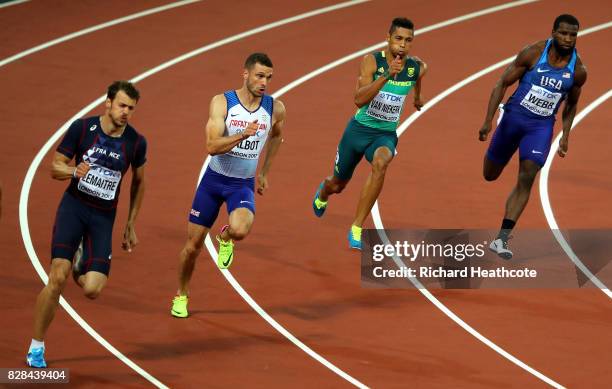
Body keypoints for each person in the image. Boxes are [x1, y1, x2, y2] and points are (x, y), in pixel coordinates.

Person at [26, 81, 147, 368]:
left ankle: (81, 262)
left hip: (103, 218)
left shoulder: (136, 142)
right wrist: (73, 170)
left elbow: (140, 182)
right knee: (57, 277)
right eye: (121, 105)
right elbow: (55, 166)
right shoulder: (82, 129)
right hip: (74, 208)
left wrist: (131, 222)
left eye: (131, 108)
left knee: (93, 289)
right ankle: (36, 347)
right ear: (107, 102)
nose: (126, 112)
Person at [171, 53, 286, 318]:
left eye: (268, 78)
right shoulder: (222, 103)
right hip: (213, 181)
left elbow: (277, 136)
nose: (264, 82)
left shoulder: (275, 108)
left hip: (241, 184)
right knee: (192, 247)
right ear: (245, 74)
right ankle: (181, 295)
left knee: (241, 230)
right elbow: (211, 146)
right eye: (259, 76)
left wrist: (265, 172)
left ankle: (225, 237)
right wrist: (242, 134)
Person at [311, 17, 427, 250]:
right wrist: (386, 76)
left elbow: (418, 79)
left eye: (408, 40)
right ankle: (323, 192)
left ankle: (356, 226)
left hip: (384, 135)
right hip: (357, 132)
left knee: (381, 162)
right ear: (388, 38)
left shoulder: (417, 67)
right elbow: (358, 99)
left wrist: (417, 98)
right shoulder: (371, 62)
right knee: (337, 184)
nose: (403, 45)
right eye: (398, 39)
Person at [478, 14, 586, 259]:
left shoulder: (578, 71)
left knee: (527, 176)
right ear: (553, 33)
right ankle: (498, 144)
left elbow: (571, 104)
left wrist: (566, 134)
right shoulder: (532, 53)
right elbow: (501, 83)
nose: (568, 39)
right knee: (490, 174)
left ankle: (502, 239)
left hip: (540, 128)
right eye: (564, 33)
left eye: (573, 35)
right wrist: (487, 120)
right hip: (512, 120)